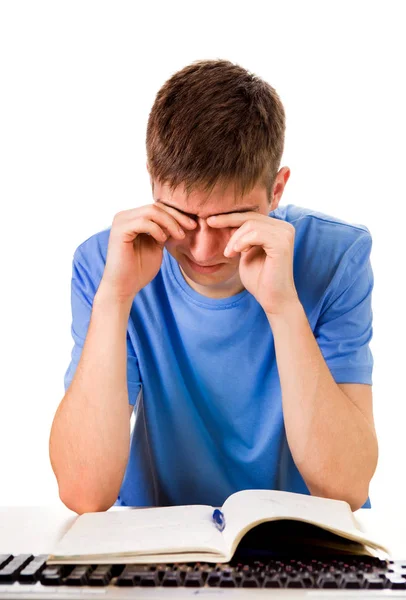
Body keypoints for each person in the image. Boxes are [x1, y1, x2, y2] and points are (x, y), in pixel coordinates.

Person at [49, 59, 378, 515]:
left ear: (277, 189)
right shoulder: (106, 264)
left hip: (301, 550)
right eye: (183, 218)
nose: (204, 250)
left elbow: (346, 488)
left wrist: (283, 308)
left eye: (231, 221)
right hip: (159, 551)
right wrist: (115, 298)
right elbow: (84, 493)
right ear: (152, 179)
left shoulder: (336, 257)